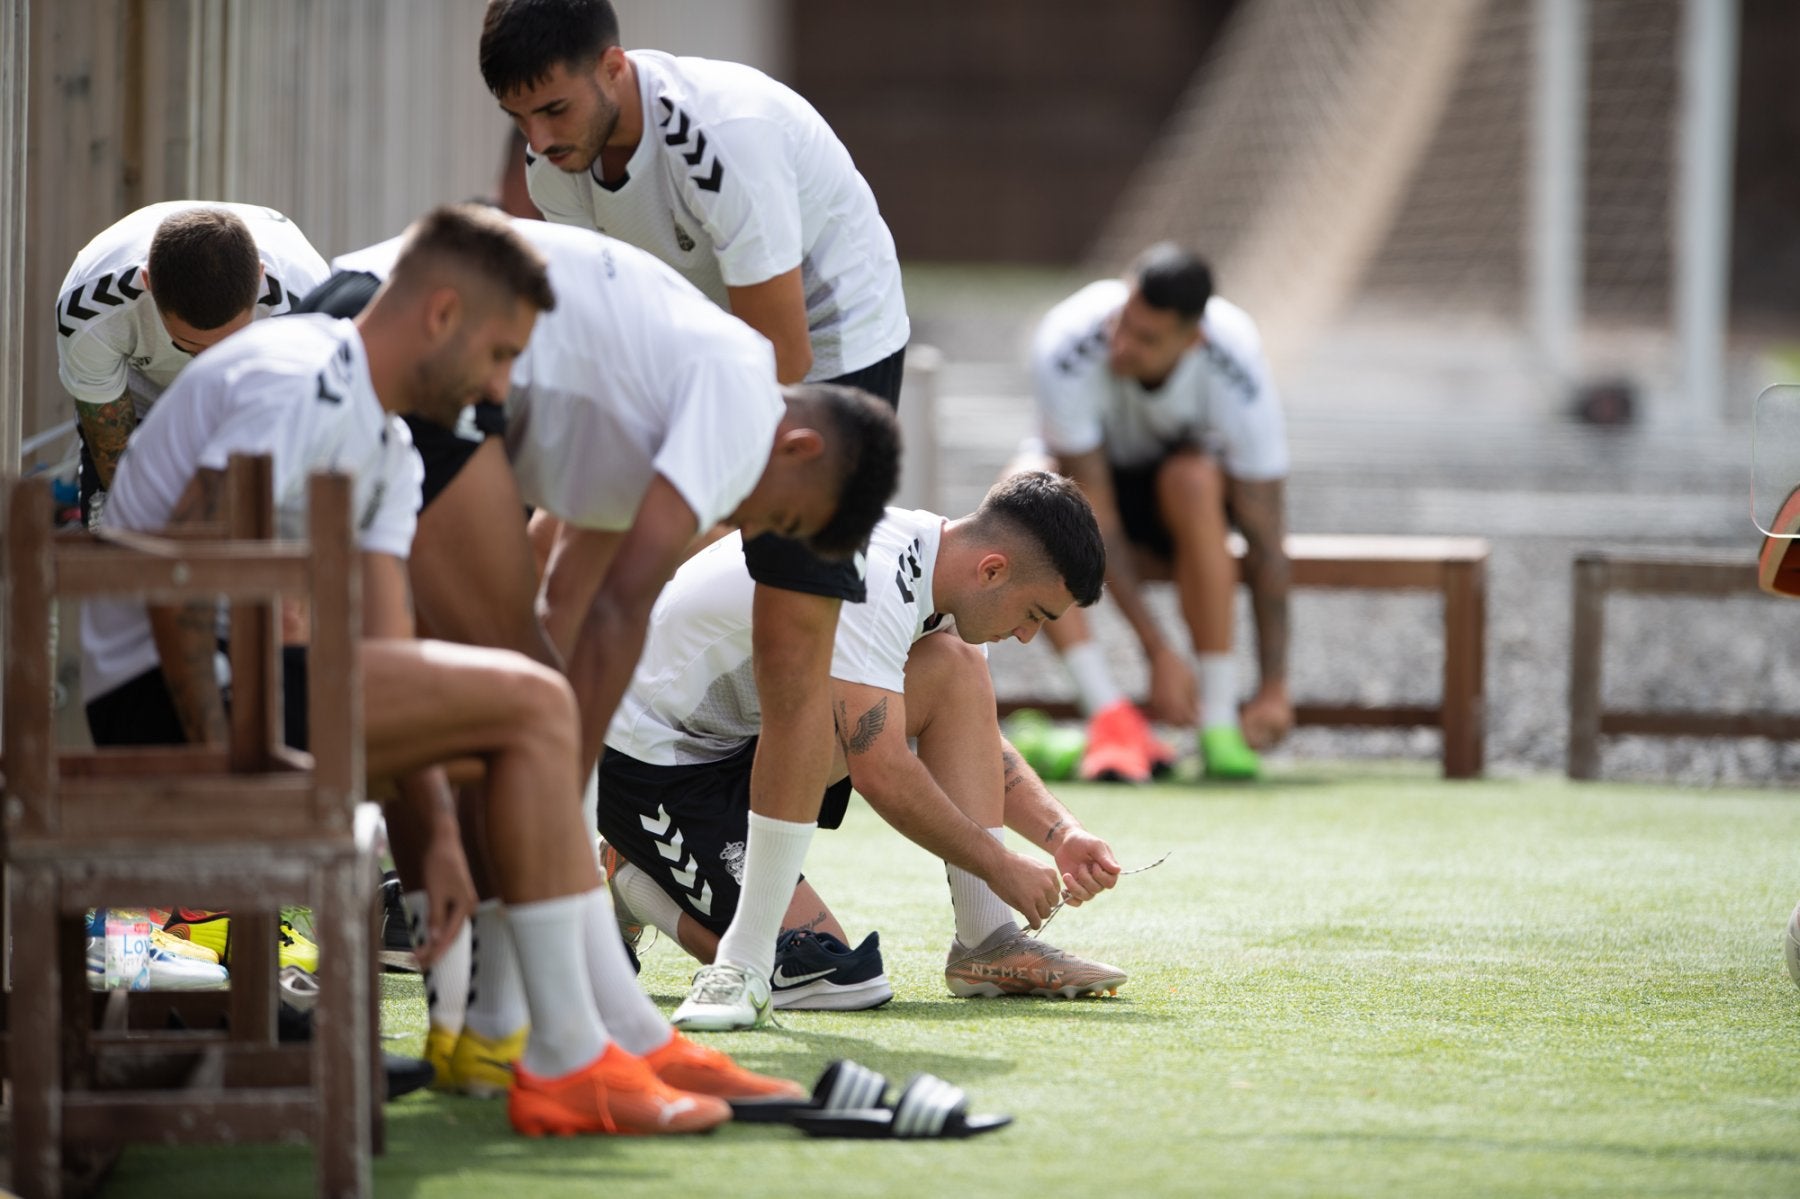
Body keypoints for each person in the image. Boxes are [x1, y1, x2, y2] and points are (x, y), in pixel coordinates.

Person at [81, 203, 804, 1137]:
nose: (501, 387)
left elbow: (386, 661)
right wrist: (229, 756)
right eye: (501, 356)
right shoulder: (299, 372)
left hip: (253, 680)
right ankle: (569, 1058)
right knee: (538, 703)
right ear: (441, 315)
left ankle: (551, 1036)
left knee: (504, 711)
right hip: (164, 696)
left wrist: (441, 846)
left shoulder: (383, 446)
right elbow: (181, 560)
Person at [297, 217, 899, 1085]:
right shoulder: (741, 397)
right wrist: (551, 789)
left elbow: (569, 596)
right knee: (503, 703)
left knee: (484, 702)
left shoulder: (658, 408)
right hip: (414, 330)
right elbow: (619, 611)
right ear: (799, 447)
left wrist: (549, 788)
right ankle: (541, 1032)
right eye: (785, 517)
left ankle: (485, 1026)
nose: (755, 530)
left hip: (378, 318)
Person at [479, 0, 911, 1027]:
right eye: (519, 117)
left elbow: (780, 365)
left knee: (790, 642)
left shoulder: (723, 137)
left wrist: (666, 518)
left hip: (827, 370)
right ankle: (561, 901)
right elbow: (606, 331)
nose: (540, 140)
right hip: (695, 362)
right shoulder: (551, 168)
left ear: (615, 67)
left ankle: (752, 959)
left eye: (553, 107)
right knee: (554, 589)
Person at [599, 472, 1127, 1027]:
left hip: (752, 742)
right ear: (992, 570)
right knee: (833, 978)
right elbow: (883, 771)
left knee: (955, 667)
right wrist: (1000, 864)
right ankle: (631, 878)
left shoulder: (941, 576)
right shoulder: (874, 577)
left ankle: (988, 943)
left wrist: (1060, 833)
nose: (1027, 635)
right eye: (1035, 615)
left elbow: (973, 742)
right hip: (652, 767)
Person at [1010, 242, 1292, 783]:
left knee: (1194, 478)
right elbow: (1092, 506)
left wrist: (1276, 686)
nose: (1120, 344)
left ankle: (1217, 719)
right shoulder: (1066, 340)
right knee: (1023, 492)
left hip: (1178, 501)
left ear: (1194, 341)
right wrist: (1158, 650)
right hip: (1090, 492)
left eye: (1146, 338)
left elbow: (1266, 537)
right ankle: (1111, 715)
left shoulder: (1239, 362)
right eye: (1122, 322)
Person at [55, 201, 330, 528]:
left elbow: (304, 432)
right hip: (141, 400)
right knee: (119, 535)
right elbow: (113, 453)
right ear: (149, 283)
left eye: (230, 344)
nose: (210, 365)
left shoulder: (306, 306)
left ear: (259, 278)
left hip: (250, 400)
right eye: (191, 345)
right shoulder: (89, 309)